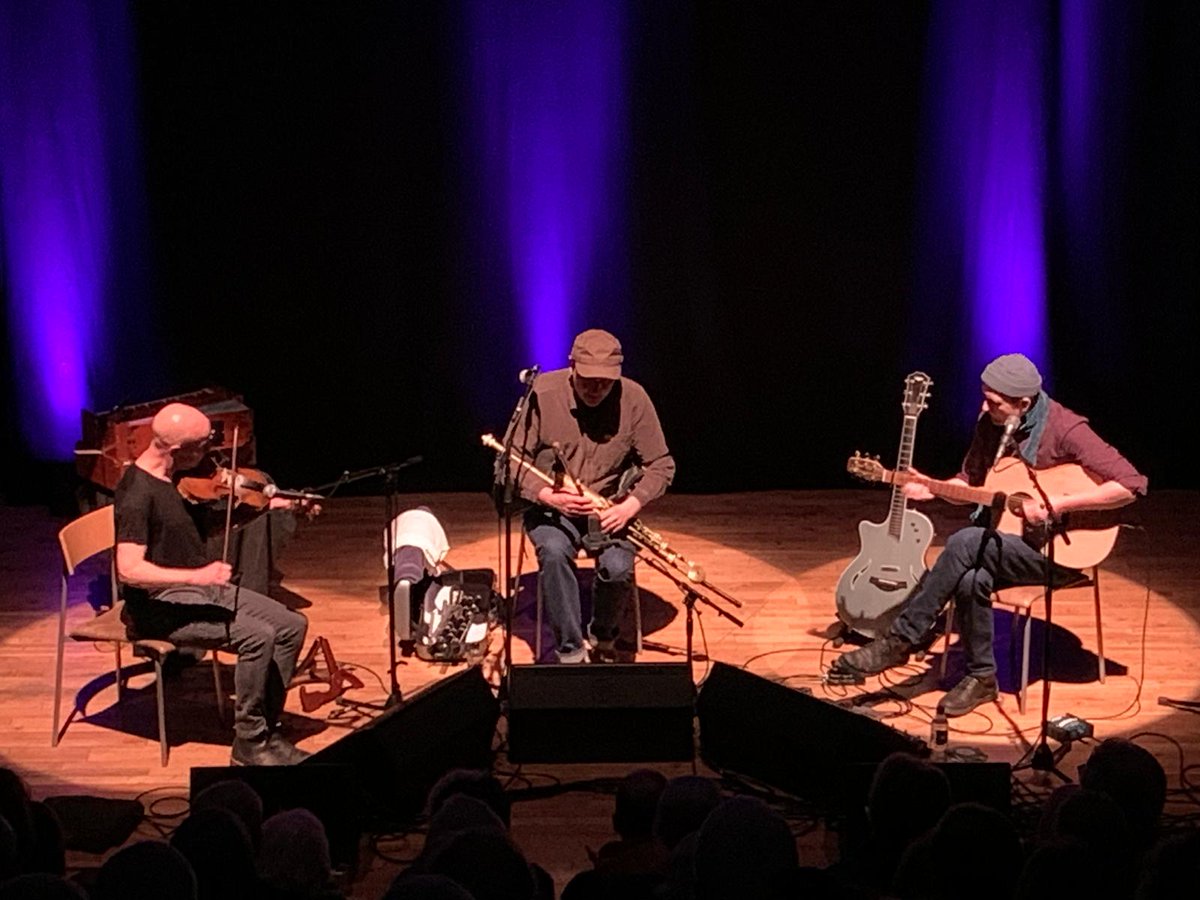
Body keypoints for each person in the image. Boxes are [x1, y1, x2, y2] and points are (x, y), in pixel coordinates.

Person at [831, 353, 1147, 716]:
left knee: (965, 541)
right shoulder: (989, 424)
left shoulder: (1065, 428)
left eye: (994, 402)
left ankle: (900, 640)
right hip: (1005, 545)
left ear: (1024, 404)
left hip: (1059, 554)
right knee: (970, 578)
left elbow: (1131, 484)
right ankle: (982, 677)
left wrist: (1060, 504)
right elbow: (970, 482)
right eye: (985, 397)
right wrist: (932, 488)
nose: (985, 406)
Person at [114, 402, 309, 765]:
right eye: (202, 446)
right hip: (160, 605)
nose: (211, 454)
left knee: (291, 625)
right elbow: (128, 568)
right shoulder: (137, 494)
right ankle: (249, 744)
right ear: (176, 450)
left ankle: (265, 727)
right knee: (258, 636)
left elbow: (197, 530)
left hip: (196, 590)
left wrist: (266, 508)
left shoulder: (176, 479)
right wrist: (197, 575)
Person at [517, 329, 675, 663]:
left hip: (610, 508)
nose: (595, 390)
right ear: (571, 365)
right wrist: (547, 495)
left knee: (618, 566)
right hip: (554, 509)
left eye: (605, 383)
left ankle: (604, 636)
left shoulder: (634, 398)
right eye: (588, 381)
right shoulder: (541, 394)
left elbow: (661, 464)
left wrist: (631, 505)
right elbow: (510, 465)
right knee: (554, 551)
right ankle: (571, 651)